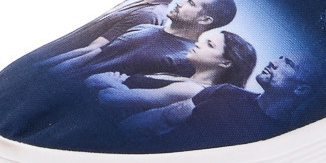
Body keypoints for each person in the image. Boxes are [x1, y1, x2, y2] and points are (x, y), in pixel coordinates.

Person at [87, 30, 257, 134]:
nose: (199, 43)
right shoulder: (182, 77)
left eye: (210, 45)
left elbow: (109, 97)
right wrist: (120, 85)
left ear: (226, 63)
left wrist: (114, 83)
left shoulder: (193, 90)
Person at [45, 0, 237, 78]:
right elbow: (95, 53)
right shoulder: (146, 28)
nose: (179, 3)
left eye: (190, 3)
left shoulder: (186, 61)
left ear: (205, 20)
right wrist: (47, 66)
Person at [149, 54, 319, 151]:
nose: (274, 62)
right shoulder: (227, 92)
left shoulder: (281, 141)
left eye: (288, 64)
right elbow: (164, 117)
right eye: (280, 58)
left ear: (301, 89)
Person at [39, 0, 200, 62]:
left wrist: (42, 64)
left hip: (51, 61)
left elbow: (94, 50)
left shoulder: (150, 14)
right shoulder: (147, 4)